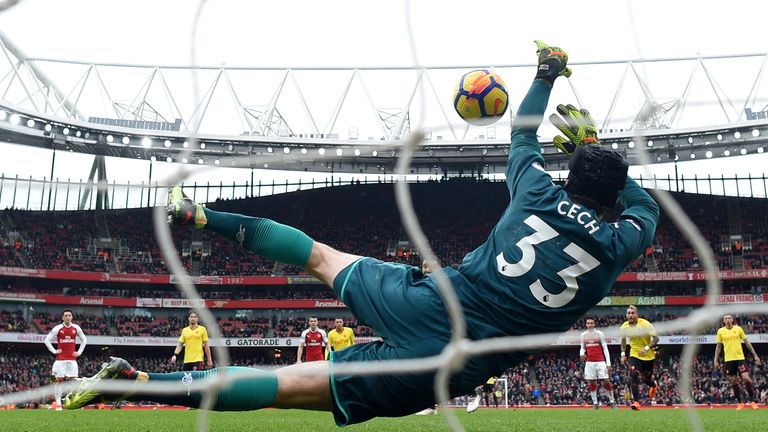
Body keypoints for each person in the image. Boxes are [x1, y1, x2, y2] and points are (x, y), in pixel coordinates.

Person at [63, 40, 659, 426]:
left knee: (318, 255)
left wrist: (547, 73)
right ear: (613, 198)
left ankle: (199, 216)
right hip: (450, 365)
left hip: (432, 299)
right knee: (281, 387)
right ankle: (134, 384)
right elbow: (644, 209)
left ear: (569, 173)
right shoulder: (618, 244)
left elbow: (524, 135)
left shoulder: (535, 191)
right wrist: (596, 150)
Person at [714, 314, 762, 410]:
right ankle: (740, 403)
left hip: (740, 358)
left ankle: (752, 401)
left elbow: (747, 342)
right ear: (723, 321)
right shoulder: (720, 331)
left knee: (746, 378)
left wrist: (755, 355)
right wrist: (716, 360)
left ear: (732, 320)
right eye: (725, 318)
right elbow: (719, 346)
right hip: (728, 360)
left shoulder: (738, 329)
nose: (727, 320)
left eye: (729, 318)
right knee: (734, 381)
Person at [43, 310, 87, 410]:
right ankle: (58, 404)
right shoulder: (58, 328)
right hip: (60, 360)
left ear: (72, 317)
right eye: (66, 315)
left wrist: (79, 352)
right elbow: (46, 340)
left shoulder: (76, 328)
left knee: (73, 381)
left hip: (72, 360)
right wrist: (54, 351)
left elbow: (84, 339)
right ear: (62, 317)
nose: (68, 317)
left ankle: (72, 402)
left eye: (69, 315)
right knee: (58, 381)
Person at [620, 305, 659, 411]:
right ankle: (636, 402)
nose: (630, 315)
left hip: (648, 356)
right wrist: (623, 354)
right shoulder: (624, 327)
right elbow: (623, 341)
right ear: (626, 315)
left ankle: (654, 385)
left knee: (647, 380)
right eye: (628, 313)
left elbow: (656, 339)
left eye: (632, 313)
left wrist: (646, 348)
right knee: (634, 375)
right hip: (634, 355)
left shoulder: (645, 324)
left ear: (637, 315)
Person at [580, 317, 616, 409]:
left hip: (600, 361)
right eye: (588, 323)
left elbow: (605, 348)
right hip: (589, 362)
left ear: (594, 324)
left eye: (591, 323)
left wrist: (608, 363)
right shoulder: (583, 335)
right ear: (586, 324)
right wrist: (581, 354)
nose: (590, 325)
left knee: (606, 381)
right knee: (592, 382)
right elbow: (583, 347)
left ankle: (612, 402)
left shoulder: (600, 334)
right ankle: (595, 404)